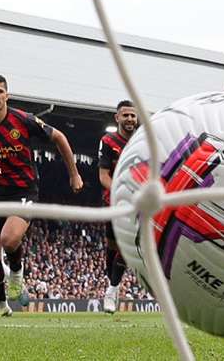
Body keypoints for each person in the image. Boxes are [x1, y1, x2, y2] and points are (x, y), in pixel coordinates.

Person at [0, 74, 83, 318]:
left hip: (24, 189)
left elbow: (59, 137)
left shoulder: (24, 120)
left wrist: (74, 174)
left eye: (0, 91)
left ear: (7, 95)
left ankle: (17, 275)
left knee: (9, 240)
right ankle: (0, 305)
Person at [97, 100, 138, 314]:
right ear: (117, 118)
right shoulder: (108, 140)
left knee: (126, 246)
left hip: (136, 204)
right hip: (113, 202)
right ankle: (112, 282)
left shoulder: (144, 140)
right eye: (126, 115)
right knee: (112, 249)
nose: (130, 119)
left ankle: (111, 291)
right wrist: (121, 193)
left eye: (133, 115)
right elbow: (103, 176)